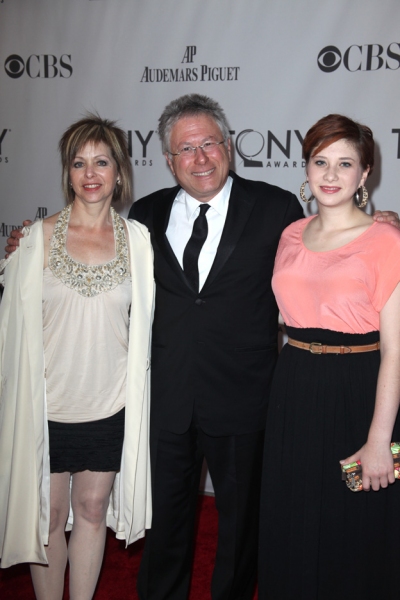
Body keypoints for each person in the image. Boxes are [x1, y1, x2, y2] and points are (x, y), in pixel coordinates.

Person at [4, 96, 400, 600]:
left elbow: (336, 242)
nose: (201, 157)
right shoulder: (142, 219)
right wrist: (27, 241)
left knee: (239, 535)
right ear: (168, 161)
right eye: (185, 149)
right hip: (165, 401)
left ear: (229, 147)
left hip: (248, 401)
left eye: (210, 143)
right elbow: (90, 252)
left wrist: (382, 221)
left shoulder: (277, 208)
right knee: (165, 530)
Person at [0, 115, 155, 600]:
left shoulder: (139, 242)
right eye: (78, 162)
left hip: (109, 405)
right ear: (67, 173)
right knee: (46, 518)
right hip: (45, 407)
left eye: (101, 162)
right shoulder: (33, 240)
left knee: (91, 511)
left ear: (119, 171)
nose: (91, 173)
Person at [258, 114, 400, 599]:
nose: (332, 175)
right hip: (293, 385)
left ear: (365, 175)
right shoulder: (291, 235)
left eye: (345, 164)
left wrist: (380, 438)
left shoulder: (388, 241)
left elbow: (396, 353)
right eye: (321, 162)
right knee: (292, 514)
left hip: (358, 388)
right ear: (306, 167)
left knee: (354, 526)